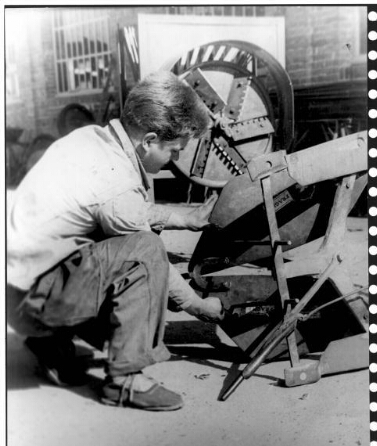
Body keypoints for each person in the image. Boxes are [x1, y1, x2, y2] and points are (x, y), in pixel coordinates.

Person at [7, 71, 225, 412]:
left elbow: (119, 209)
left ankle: (51, 343)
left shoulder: (93, 139)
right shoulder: (117, 184)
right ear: (149, 140)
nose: (177, 159)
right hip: (31, 302)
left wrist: (183, 217)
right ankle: (125, 380)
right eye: (175, 150)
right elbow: (132, 227)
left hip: (18, 286)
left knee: (107, 242)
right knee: (146, 251)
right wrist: (198, 305)